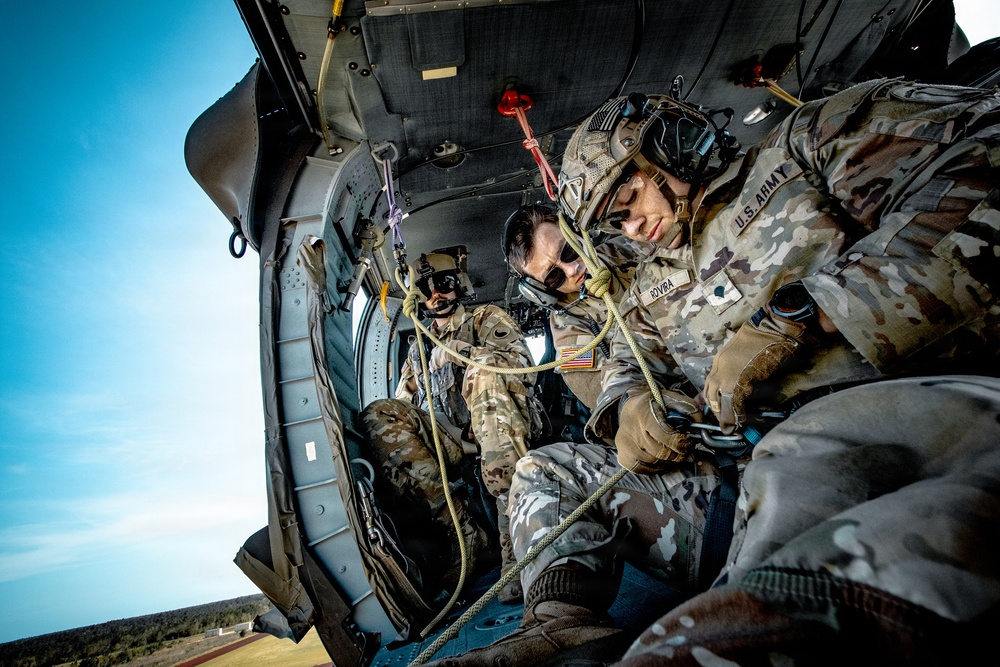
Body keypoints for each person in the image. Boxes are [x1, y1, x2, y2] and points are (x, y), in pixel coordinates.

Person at [427, 79, 1000, 665]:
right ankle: (562, 626)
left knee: (751, 625)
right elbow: (624, 366)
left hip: (891, 425)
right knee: (545, 470)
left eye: (628, 201)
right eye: (612, 224)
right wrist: (631, 409)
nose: (631, 229)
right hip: (731, 478)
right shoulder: (642, 279)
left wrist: (805, 310)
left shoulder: (804, 149)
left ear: (673, 145)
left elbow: (983, 161)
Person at [359, 246, 540, 606]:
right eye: (425, 291)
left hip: (500, 424)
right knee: (379, 415)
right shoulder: (419, 350)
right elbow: (403, 401)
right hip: (450, 438)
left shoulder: (486, 318)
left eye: (442, 284)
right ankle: (462, 533)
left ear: (459, 285)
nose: (435, 295)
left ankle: (514, 546)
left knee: (485, 373)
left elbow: (522, 367)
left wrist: (466, 353)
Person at [503, 204, 643, 410]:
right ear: (540, 290)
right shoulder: (568, 335)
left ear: (575, 231)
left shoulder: (634, 246)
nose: (572, 269)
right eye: (553, 276)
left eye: (568, 251)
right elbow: (610, 405)